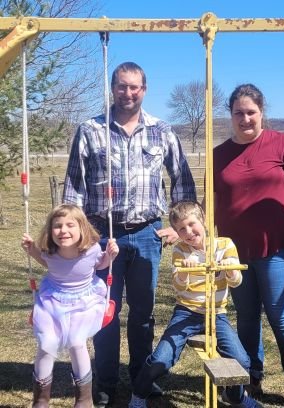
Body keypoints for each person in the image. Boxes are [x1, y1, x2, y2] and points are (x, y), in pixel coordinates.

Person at [62, 61, 196, 407]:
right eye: (122, 86)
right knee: (104, 310)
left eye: (135, 87)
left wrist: (179, 226)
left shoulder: (162, 131)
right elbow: (74, 187)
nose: (128, 93)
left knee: (143, 313)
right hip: (101, 236)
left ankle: (142, 380)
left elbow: (181, 179)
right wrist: (73, 237)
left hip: (147, 235)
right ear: (112, 88)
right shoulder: (90, 130)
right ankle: (104, 384)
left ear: (145, 90)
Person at [213, 83, 284, 406]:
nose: (245, 119)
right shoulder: (218, 155)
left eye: (251, 112)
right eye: (238, 113)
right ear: (230, 115)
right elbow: (211, 202)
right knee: (246, 317)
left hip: (274, 248)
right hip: (233, 254)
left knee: (282, 316)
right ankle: (251, 377)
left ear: (262, 113)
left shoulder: (283, 145)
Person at [129, 201, 262, 408]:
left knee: (242, 361)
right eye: (182, 229)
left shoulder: (225, 245)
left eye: (192, 224)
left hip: (216, 313)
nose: (189, 232)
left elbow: (236, 282)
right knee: (161, 361)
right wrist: (185, 271)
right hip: (187, 312)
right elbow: (180, 288)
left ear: (203, 220)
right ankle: (138, 394)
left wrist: (230, 270)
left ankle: (235, 397)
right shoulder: (180, 251)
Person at [21, 204, 119, 408]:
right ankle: (40, 399)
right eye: (57, 226)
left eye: (70, 225)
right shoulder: (50, 251)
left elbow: (101, 264)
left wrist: (110, 256)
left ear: (82, 228)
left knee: (77, 342)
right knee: (46, 344)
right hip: (53, 301)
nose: (63, 230)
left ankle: (84, 399)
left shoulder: (91, 249)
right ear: (50, 231)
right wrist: (32, 250)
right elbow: (47, 263)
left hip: (85, 301)